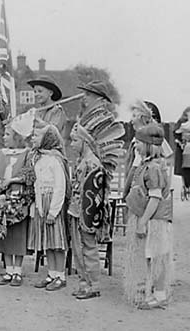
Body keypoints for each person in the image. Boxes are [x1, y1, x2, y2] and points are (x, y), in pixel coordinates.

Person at [68, 96, 125, 300]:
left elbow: (93, 193)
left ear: (84, 142)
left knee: (88, 248)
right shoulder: (83, 161)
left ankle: (94, 284)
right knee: (77, 248)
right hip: (75, 211)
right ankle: (84, 282)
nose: (71, 144)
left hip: (85, 214)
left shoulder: (92, 164)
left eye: (74, 140)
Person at [124, 123, 173, 309]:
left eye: (138, 142)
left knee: (157, 256)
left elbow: (155, 198)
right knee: (149, 256)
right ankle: (150, 291)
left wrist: (142, 222)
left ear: (148, 145)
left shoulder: (154, 168)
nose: (135, 145)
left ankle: (160, 295)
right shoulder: (145, 165)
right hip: (147, 218)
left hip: (154, 221)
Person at [0, 120, 31, 287]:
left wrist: (12, 180)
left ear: (17, 136)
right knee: (4, 232)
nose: (4, 137)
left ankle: (18, 271)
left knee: (18, 234)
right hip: (2, 197)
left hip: (19, 198)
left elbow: (28, 175)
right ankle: (8, 270)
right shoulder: (0, 154)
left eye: (7, 134)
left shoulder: (27, 154)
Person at [30, 124, 71, 291]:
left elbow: (60, 187)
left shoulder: (56, 160)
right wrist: (39, 206)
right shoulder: (39, 159)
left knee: (57, 243)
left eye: (37, 136)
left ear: (47, 139)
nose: (33, 139)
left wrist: (53, 211)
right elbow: (37, 184)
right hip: (42, 204)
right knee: (49, 243)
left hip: (53, 204)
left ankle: (60, 275)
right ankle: (51, 273)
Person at [124, 100, 173, 198]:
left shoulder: (144, 142)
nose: (131, 120)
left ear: (142, 118)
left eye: (134, 116)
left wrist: (125, 191)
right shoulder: (150, 137)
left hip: (143, 191)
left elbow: (135, 168)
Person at [173, 106, 190, 188]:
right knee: (185, 167)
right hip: (183, 147)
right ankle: (187, 183)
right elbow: (176, 133)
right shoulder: (181, 122)